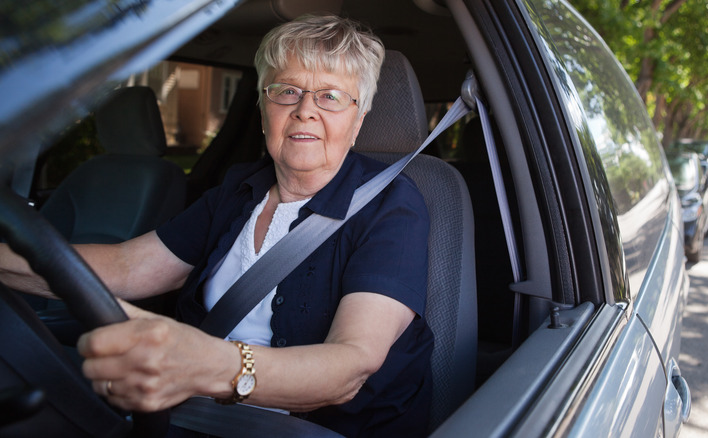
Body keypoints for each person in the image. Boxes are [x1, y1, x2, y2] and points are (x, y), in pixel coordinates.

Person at [0, 14, 433, 438]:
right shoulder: (238, 188)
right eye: (286, 91)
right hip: (192, 415)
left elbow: (350, 366)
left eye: (331, 97)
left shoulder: (393, 206)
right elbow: (128, 266)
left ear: (358, 118)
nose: (304, 110)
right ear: (264, 109)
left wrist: (208, 365)